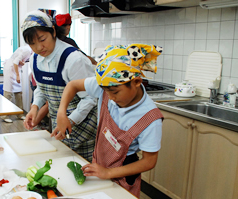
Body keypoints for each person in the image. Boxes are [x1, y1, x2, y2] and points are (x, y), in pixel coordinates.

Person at [52, 44, 164, 197]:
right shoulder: (106, 85)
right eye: (106, 92)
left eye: (115, 92)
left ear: (137, 82)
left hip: (123, 175)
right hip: (99, 166)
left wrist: (109, 172)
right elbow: (72, 85)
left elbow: (149, 161)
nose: (110, 97)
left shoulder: (150, 118)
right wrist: (61, 114)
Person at [21, 10, 98, 162]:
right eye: (32, 43)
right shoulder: (36, 60)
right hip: (60, 129)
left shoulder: (73, 59)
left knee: (85, 176)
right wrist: (35, 107)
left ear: (53, 31)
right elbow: (42, 89)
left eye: (42, 39)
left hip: (86, 129)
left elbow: (90, 98)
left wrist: (71, 120)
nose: (38, 47)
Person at [2, 45, 33, 123]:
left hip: (15, 69)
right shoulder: (27, 50)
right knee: (8, 93)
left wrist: (21, 63)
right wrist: (18, 76)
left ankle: (19, 114)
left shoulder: (28, 50)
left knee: (19, 93)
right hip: (11, 70)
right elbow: (15, 62)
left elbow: (17, 60)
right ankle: (4, 115)